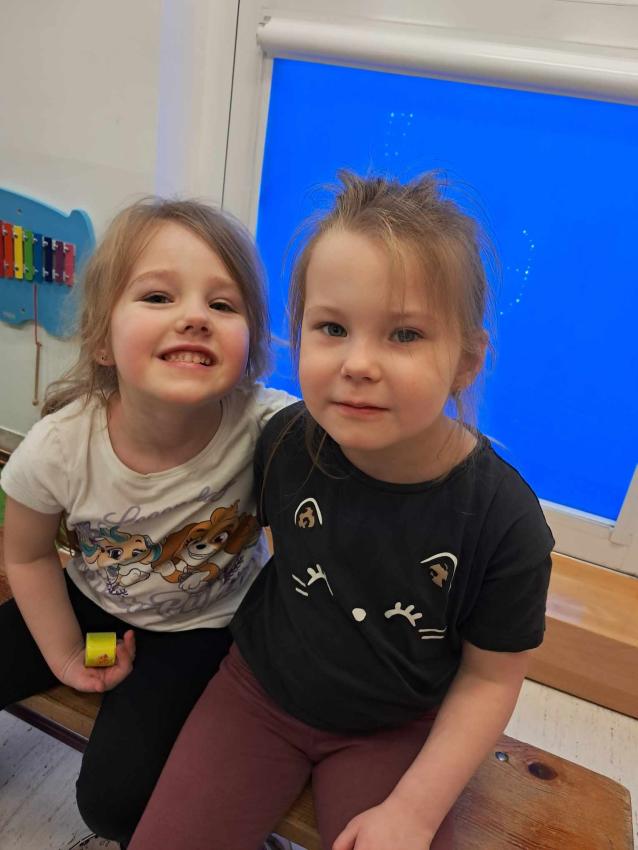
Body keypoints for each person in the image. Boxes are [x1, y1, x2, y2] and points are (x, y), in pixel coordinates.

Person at [129, 172, 554, 850]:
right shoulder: (282, 443)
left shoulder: (505, 521)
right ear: (297, 336)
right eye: (332, 327)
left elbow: (490, 678)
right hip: (256, 695)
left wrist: (414, 810)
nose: (358, 363)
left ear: (467, 360)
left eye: (404, 334)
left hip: (397, 728)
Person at [0, 197, 295, 847]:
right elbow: (25, 555)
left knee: (112, 806)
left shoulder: (270, 427)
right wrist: (66, 654)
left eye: (223, 305)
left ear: (251, 344)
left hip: (201, 630)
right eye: (158, 296)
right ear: (101, 339)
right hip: (88, 601)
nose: (194, 316)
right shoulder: (59, 446)